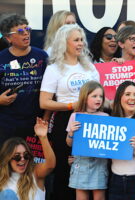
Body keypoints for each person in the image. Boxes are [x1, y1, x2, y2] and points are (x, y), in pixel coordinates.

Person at [40, 24, 99, 200]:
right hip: (65, 121)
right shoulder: (54, 68)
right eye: (76, 40)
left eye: (82, 40)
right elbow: (44, 102)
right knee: (66, 170)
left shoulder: (89, 67)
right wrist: (70, 106)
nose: (80, 44)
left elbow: (100, 93)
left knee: (92, 169)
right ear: (64, 43)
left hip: (93, 119)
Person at [0, 14, 48, 147]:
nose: (26, 34)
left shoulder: (42, 56)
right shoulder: (1, 58)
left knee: (32, 164)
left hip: (35, 124)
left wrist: (46, 119)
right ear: (8, 37)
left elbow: (50, 90)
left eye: (28, 29)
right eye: (21, 31)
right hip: (6, 125)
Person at [66, 81, 108, 200]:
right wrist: (71, 133)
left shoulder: (106, 117)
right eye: (94, 96)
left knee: (99, 196)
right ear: (85, 98)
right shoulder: (75, 116)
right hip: (80, 162)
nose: (98, 99)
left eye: (101, 96)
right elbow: (69, 144)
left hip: (99, 162)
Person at [0, 117, 55, 200]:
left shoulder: (35, 173)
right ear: (8, 158)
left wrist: (43, 137)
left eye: (26, 155)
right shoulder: (1, 178)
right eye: (17, 156)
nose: (23, 159)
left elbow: (50, 165)